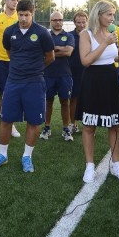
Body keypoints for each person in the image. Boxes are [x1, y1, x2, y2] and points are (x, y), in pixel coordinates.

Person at [0, 0, 55, 173]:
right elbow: (10, 52)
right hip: (13, 81)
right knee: (6, 119)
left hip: (34, 83)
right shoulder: (10, 31)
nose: (24, 18)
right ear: (16, 13)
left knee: (34, 121)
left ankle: (27, 156)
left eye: (27, 15)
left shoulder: (42, 33)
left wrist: (36, 69)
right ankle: (2, 154)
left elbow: (50, 57)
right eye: (21, 14)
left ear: (32, 14)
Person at [77, 0, 119, 184]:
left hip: (111, 79)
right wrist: (105, 43)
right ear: (98, 15)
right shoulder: (86, 34)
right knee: (89, 125)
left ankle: (116, 164)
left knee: (115, 124)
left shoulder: (112, 32)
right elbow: (86, 61)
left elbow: (110, 55)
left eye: (113, 14)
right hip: (93, 81)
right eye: (109, 14)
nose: (112, 18)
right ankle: (89, 166)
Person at [0, 0, 21, 138]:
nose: (15, 2)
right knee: (3, 94)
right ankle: (3, 124)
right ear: (6, 1)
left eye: (17, 0)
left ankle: (12, 124)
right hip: (1, 62)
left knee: (14, 94)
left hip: (16, 62)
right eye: (13, 0)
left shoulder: (20, 17)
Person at [41, 11, 74, 141]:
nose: (58, 22)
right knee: (48, 101)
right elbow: (42, 53)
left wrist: (52, 51)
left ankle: (66, 128)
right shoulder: (46, 35)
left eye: (60, 19)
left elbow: (68, 52)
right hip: (48, 74)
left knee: (65, 101)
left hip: (64, 74)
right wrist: (60, 49)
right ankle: (47, 127)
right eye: (55, 20)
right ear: (51, 21)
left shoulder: (68, 36)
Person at [68, 10, 88, 134]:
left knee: (88, 99)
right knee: (73, 99)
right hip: (72, 72)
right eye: (78, 22)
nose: (81, 25)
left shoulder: (92, 34)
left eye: (83, 22)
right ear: (74, 23)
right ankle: (73, 123)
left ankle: (88, 124)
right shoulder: (69, 35)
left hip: (89, 72)